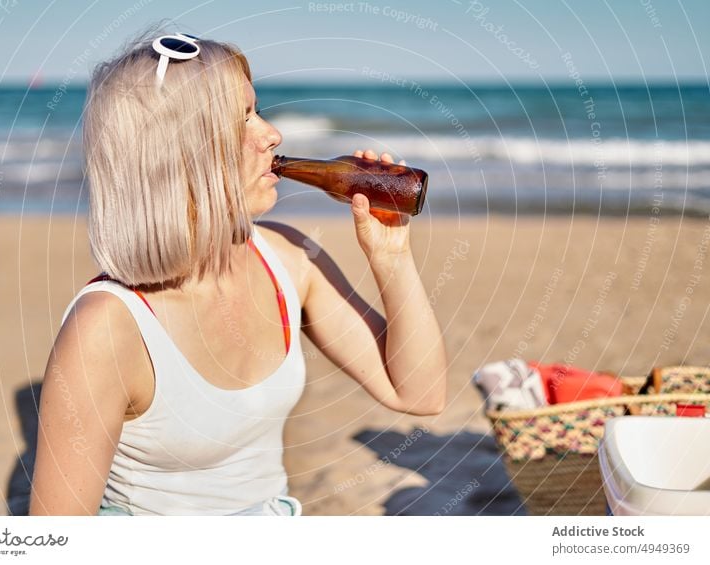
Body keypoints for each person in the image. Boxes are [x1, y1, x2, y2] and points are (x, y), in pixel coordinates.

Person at [29, 29, 447, 516]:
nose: (272, 135)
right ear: (176, 156)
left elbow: (419, 393)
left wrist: (391, 254)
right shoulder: (107, 327)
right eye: (240, 119)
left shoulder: (288, 259)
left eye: (258, 110)